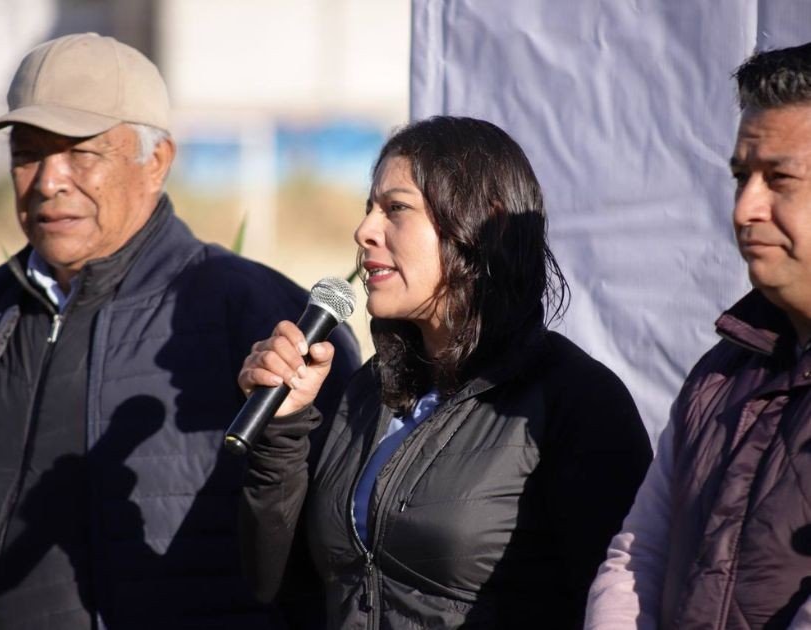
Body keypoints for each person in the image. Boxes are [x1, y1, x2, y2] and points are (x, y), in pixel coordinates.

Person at [0, 32, 359, 629]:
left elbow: (329, 547)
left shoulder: (252, 313)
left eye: (81, 153)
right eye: (26, 153)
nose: (47, 181)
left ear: (157, 161)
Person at [237, 115, 653, 628]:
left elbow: (617, 602)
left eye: (396, 209)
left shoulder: (576, 400)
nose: (364, 230)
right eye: (369, 209)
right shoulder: (368, 392)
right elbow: (275, 582)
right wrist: (283, 429)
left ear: (486, 225)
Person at [585, 42, 811, 630]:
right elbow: (639, 554)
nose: (746, 208)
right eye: (742, 177)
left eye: (778, 178)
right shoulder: (722, 372)